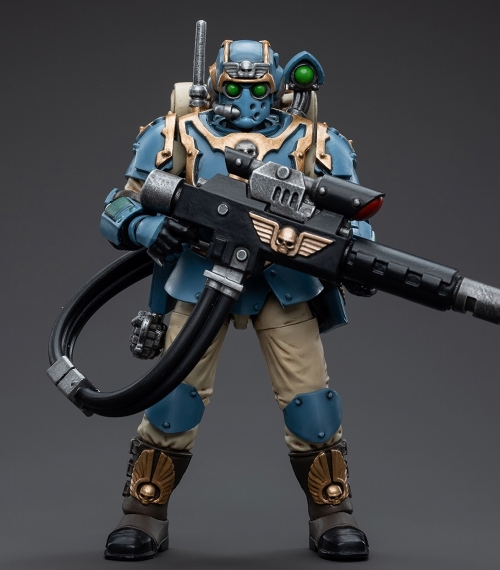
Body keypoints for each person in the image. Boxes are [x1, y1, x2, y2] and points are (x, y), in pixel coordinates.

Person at [100, 35, 374, 562]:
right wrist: (148, 227)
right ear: (212, 86)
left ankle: (332, 511)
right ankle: (143, 511)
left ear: (279, 87)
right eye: (233, 88)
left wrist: (357, 256)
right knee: (173, 399)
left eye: (258, 89)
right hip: (201, 280)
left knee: (311, 403)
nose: (246, 100)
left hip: (282, 282)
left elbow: (354, 217)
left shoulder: (313, 141)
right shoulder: (177, 135)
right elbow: (119, 205)